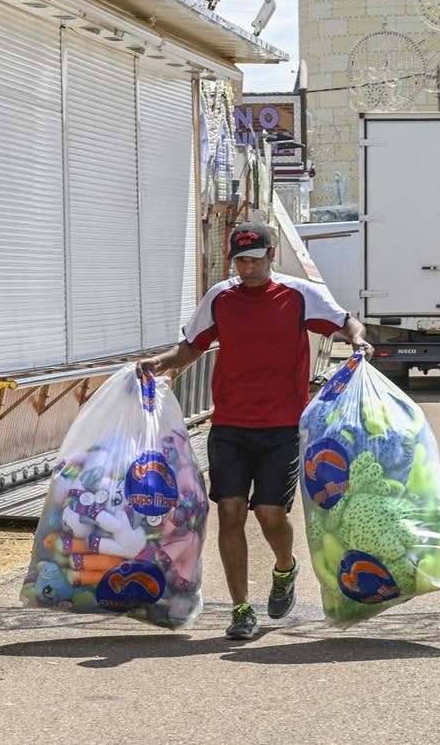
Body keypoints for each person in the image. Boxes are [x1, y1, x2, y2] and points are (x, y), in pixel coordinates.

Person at [139, 221, 372, 640]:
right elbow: (192, 346)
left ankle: (285, 566)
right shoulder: (221, 298)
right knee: (229, 510)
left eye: (254, 259)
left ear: (270, 255)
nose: (247, 268)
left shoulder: (299, 295)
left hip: (282, 425)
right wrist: (160, 362)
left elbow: (346, 322)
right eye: (240, 261)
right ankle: (241, 608)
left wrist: (359, 341)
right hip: (229, 423)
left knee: (269, 513)